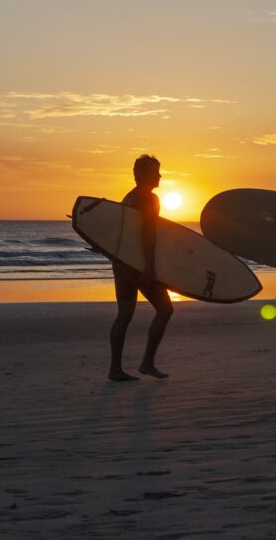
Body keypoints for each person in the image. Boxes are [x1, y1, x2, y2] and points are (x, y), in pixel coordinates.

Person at [107, 154, 173, 381]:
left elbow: (120, 231)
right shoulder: (149, 199)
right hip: (138, 265)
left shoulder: (128, 197)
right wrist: (149, 267)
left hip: (121, 263)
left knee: (124, 315)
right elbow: (148, 235)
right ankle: (147, 362)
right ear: (143, 175)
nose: (160, 175)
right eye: (156, 171)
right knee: (165, 309)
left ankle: (115, 369)